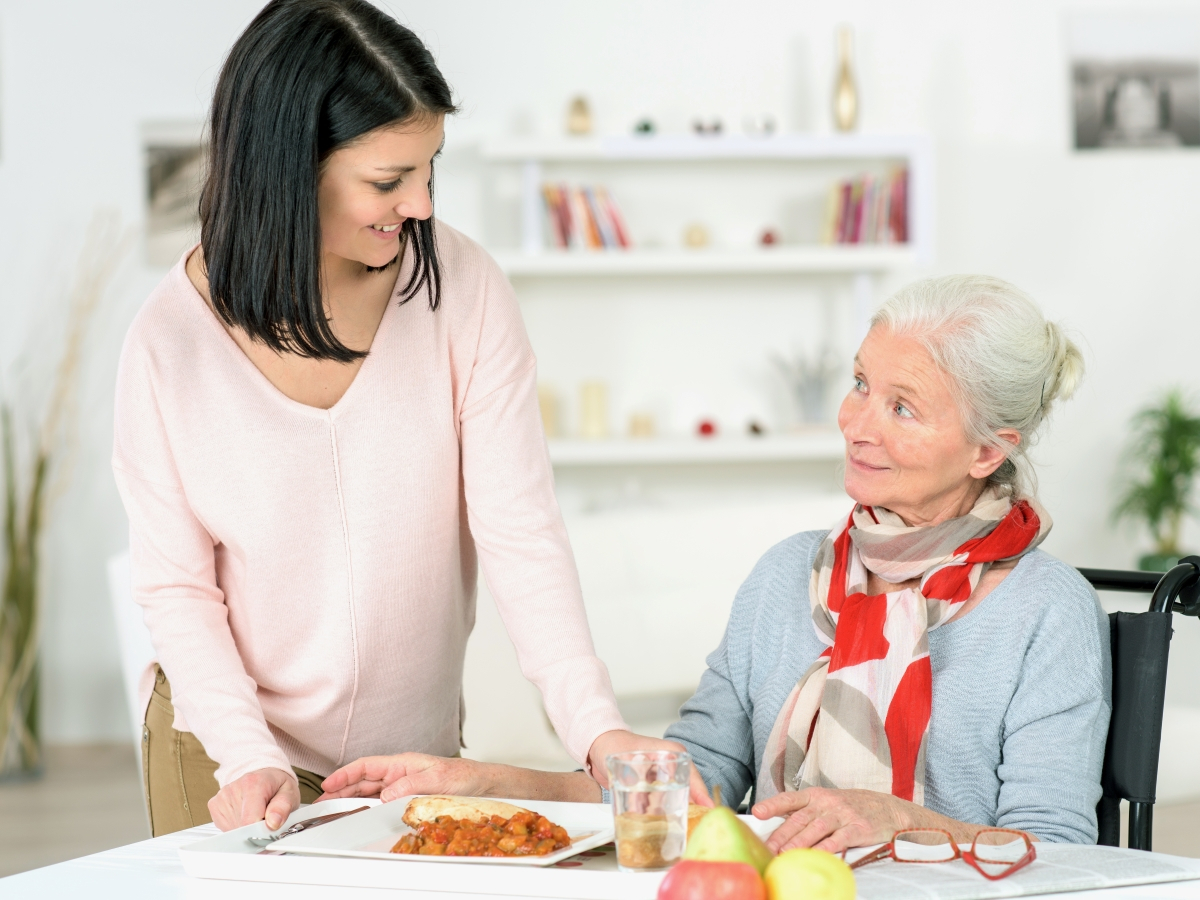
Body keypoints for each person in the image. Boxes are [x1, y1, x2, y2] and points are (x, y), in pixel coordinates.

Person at [113, 0, 686, 837]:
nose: (419, 205)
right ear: (289, 165)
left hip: (408, 761)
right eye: (387, 181)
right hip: (228, 752)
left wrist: (595, 729)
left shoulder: (464, 290)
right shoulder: (168, 344)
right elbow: (177, 587)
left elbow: (519, 531)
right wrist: (248, 755)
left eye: (430, 169)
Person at [320, 275, 1111, 853]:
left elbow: (1061, 854)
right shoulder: (786, 577)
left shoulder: (1048, 611)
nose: (856, 425)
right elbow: (683, 788)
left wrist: (900, 818)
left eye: (901, 407)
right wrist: (485, 785)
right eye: (861, 385)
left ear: (987, 449)